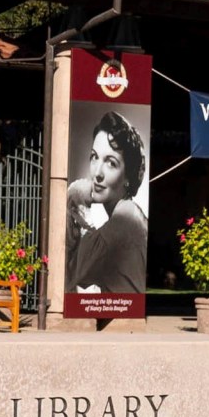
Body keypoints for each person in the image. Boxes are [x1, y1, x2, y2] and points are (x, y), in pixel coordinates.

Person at [66, 111, 148, 297]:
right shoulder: (128, 213)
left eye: (111, 163)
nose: (98, 173)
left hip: (126, 317)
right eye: (95, 157)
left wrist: (76, 196)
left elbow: (75, 273)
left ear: (128, 176)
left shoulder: (125, 218)